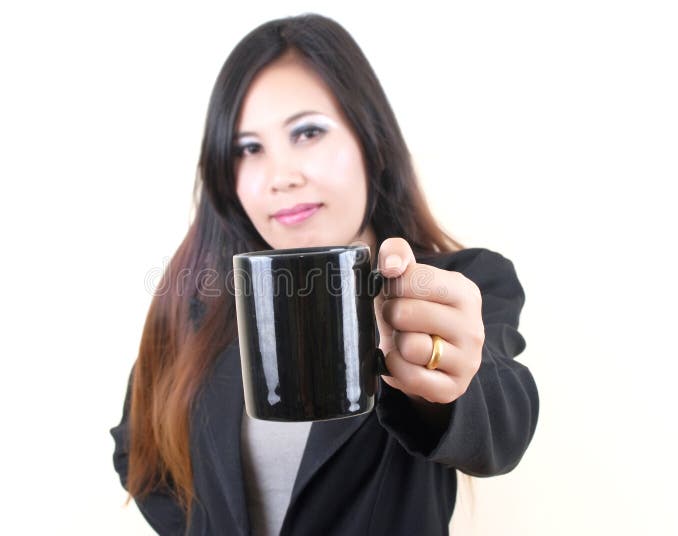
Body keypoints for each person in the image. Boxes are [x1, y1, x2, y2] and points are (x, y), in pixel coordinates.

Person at [110, 13, 539, 536]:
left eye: (307, 132)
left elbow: (503, 422)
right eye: (249, 148)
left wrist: (445, 376)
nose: (281, 177)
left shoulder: (460, 283)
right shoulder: (201, 303)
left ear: (370, 142)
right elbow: (138, 451)